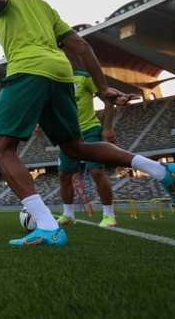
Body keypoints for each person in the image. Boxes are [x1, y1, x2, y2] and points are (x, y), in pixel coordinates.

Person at [0, 0, 175, 247]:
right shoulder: (44, 8)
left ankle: (47, 226)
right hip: (61, 74)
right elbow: (82, 47)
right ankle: (163, 171)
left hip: (27, 69)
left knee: (2, 149)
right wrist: (102, 87)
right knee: (75, 147)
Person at [56, 55, 117, 228]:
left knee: (96, 172)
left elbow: (108, 99)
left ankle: (109, 215)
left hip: (90, 130)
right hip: (67, 134)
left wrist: (107, 128)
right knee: (64, 175)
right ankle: (68, 215)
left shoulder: (83, 77)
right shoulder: (53, 82)